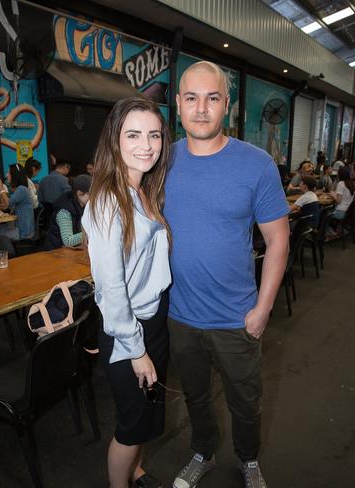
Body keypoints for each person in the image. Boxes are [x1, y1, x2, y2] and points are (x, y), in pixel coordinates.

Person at [163, 61, 289, 488]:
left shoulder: (256, 165)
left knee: (245, 402)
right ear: (178, 104)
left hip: (237, 318)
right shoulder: (161, 161)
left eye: (212, 98)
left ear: (226, 105)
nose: (201, 109)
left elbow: (278, 240)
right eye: (192, 98)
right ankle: (202, 452)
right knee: (195, 398)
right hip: (181, 316)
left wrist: (263, 309)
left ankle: (249, 460)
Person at [82, 97, 171, 488]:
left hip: (153, 320)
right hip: (127, 333)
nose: (146, 145)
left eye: (154, 134)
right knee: (131, 423)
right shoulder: (107, 200)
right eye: (133, 134)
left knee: (148, 410)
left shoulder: (143, 188)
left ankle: (136, 471)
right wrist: (137, 351)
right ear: (114, 140)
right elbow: (111, 290)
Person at [44, 174, 91, 250]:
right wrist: (91, 232)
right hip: (55, 253)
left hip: (70, 251)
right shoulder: (64, 212)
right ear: (79, 193)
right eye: (90, 194)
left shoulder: (83, 206)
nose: (94, 197)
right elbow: (68, 241)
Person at [0, 164, 34, 240]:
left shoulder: (22, 189)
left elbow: (8, 203)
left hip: (23, 232)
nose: (6, 175)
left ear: (14, 175)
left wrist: (1, 189)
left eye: (8, 173)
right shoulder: (20, 189)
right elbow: (5, 205)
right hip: (21, 229)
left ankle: (2, 251)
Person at [326, 166, 355, 237]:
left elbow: (338, 200)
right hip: (346, 212)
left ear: (340, 174)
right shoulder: (351, 184)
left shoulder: (341, 184)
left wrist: (332, 194)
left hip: (339, 212)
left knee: (323, 214)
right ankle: (336, 229)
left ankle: (329, 232)